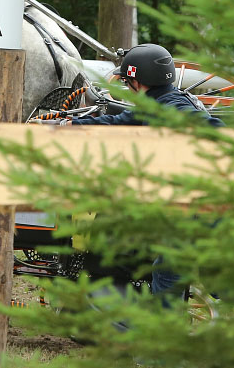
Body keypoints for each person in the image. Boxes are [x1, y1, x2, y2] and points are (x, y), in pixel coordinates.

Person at [65, 43, 223, 300]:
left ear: (138, 83)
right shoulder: (158, 104)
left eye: (128, 83)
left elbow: (212, 127)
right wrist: (69, 124)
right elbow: (115, 123)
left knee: (217, 281)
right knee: (170, 269)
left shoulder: (171, 107)